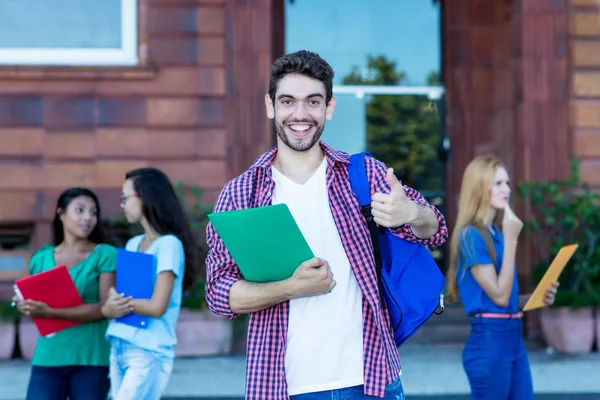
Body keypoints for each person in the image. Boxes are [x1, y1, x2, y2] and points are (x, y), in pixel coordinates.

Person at [205, 50, 448, 400]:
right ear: (270, 105)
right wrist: (290, 287)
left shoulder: (363, 174)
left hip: (373, 382)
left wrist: (410, 212)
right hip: (284, 387)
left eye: (313, 102)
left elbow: (435, 227)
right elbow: (219, 294)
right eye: (288, 101)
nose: (300, 114)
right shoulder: (242, 192)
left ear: (329, 108)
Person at [444, 155, 559, 400]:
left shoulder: (496, 233)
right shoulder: (470, 236)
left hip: (512, 336)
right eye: (498, 183)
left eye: (507, 183)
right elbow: (498, 296)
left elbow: (507, 299)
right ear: (479, 188)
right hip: (489, 340)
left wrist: (537, 298)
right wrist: (512, 239)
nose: (507, 189)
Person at [100, 167, 200, 400]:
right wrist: (112, 306)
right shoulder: (133, 243)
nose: (122, 204)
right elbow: (111, 306)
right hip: (119, 346)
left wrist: (118, 304)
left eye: (126, 198)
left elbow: (157, 306)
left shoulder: (169, 245)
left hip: (147, 351)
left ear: (145, 197)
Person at [13, 187, 117, 400]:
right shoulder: (41, 258)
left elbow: (105, 308)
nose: (88, 217)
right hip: (47, 358)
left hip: (91, 359)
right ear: (61, 213)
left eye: (93, 212)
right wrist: (27, 306)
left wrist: (50, 312)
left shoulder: (105, 254)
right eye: (80, 210)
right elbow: (38, 311)